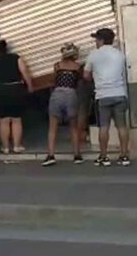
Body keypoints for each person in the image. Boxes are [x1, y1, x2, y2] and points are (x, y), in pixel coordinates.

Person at [84, 28, 130, 167]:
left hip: (103, 96)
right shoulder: (120, 54)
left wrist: (96, 79)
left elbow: (86, 75)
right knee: (122, 126)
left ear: (102, 40)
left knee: (104, 127)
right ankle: (124, 155)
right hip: (119, 93)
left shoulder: (93, 55)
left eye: (97, 39)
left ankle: (104, 157)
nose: (95, 42)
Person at [0, 40, 33, 155]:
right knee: (16, 119)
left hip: (0, 91)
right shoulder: (16, 58)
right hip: (16, 89)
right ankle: (16, 146)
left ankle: (5, 147)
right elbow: (24, 72)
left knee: (3, 121)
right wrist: (30, 86)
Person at [42, 43, 84, 166]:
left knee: (53, 127)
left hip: (57, 94)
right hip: (71, 94)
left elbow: (54, 81)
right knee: (73, 126)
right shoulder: (78, 67)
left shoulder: (57, 66)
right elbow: (79, 82)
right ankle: (77, 155)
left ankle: (51, 155)